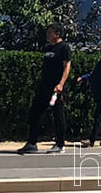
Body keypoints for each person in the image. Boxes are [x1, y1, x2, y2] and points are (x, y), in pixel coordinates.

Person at [19, 25, 73, 154]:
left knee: (58, 115)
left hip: (56, 89)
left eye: (50, 32)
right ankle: (32, 142)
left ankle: (60, 144)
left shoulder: (64, 48)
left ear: (58, 34)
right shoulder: (49, 48)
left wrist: (61, 84)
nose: (47, 35)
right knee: (35, 113)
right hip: (44, 87)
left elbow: (67, 67)